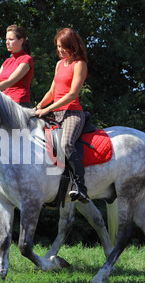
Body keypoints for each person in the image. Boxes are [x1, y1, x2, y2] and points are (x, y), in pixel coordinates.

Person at [34, 28, 90, 203]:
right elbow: (52, 91)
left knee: (66, 144)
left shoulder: (80, 64)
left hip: (72, 113)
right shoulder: (59, 64)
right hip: (56, 113)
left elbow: (72, 94)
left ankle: (81, 187)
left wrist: (47, 109)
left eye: (63, 47)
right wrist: (39, 106)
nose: (60, 50)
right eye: (58, 47)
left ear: (72, 45)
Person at [0, 25, 33, 108]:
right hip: (4, 102)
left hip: (19, 104)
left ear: (21, 41)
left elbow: (10, 82)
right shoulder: (7, 61)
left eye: (11, 39)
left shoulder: (26, 59)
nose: (7, 42)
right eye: (6, 39)